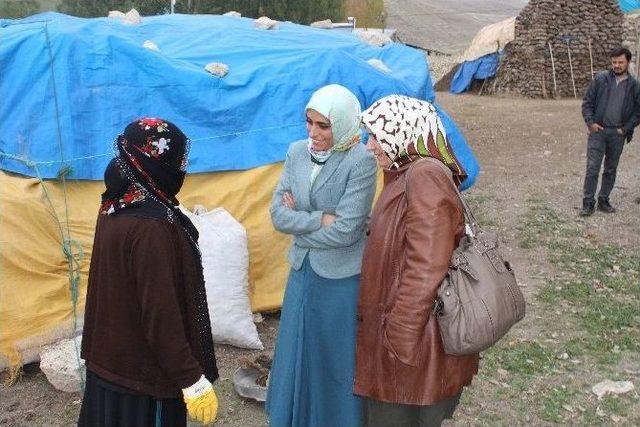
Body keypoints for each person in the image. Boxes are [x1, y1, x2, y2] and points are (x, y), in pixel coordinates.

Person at [79, 118, 219, 427]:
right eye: (178, 162)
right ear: (159, 164)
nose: (182, 170)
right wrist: (191, 379)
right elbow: (160, 312)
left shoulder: (119, 200)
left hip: (111, 361)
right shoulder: (151, 226)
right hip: (143, 379)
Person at [354, 95, 478, 427]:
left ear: (404, 131)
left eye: (377, 136)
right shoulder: (405, 172)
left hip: (412, 342)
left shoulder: (424, 176)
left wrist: (398, 339)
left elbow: (427, 267)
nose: (370, 146)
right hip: (407, 337)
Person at [266, 84, 377, 427]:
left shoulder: (362, 162)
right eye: (309, 123)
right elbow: (277, 215)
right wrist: (318, 219)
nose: (313, 133)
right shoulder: (296, 152)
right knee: (296, 347)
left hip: (340, 278)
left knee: (333, 354)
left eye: (323, 126)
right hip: (302, 270)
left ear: (343, 124)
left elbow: (346, 230)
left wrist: (299, 221)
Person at [580, 47, 640, 216]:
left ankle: (603, 200)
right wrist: (590, 123)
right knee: (592, 168)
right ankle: (588, 203)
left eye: (620, 62)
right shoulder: (600, 79)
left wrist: (625, 129)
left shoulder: (634, 86)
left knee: (610, 169)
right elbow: (587, 103)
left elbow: (638, 112)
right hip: (598, 131)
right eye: (614, 62)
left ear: (628, 62)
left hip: (617, 135)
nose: (617, 65)